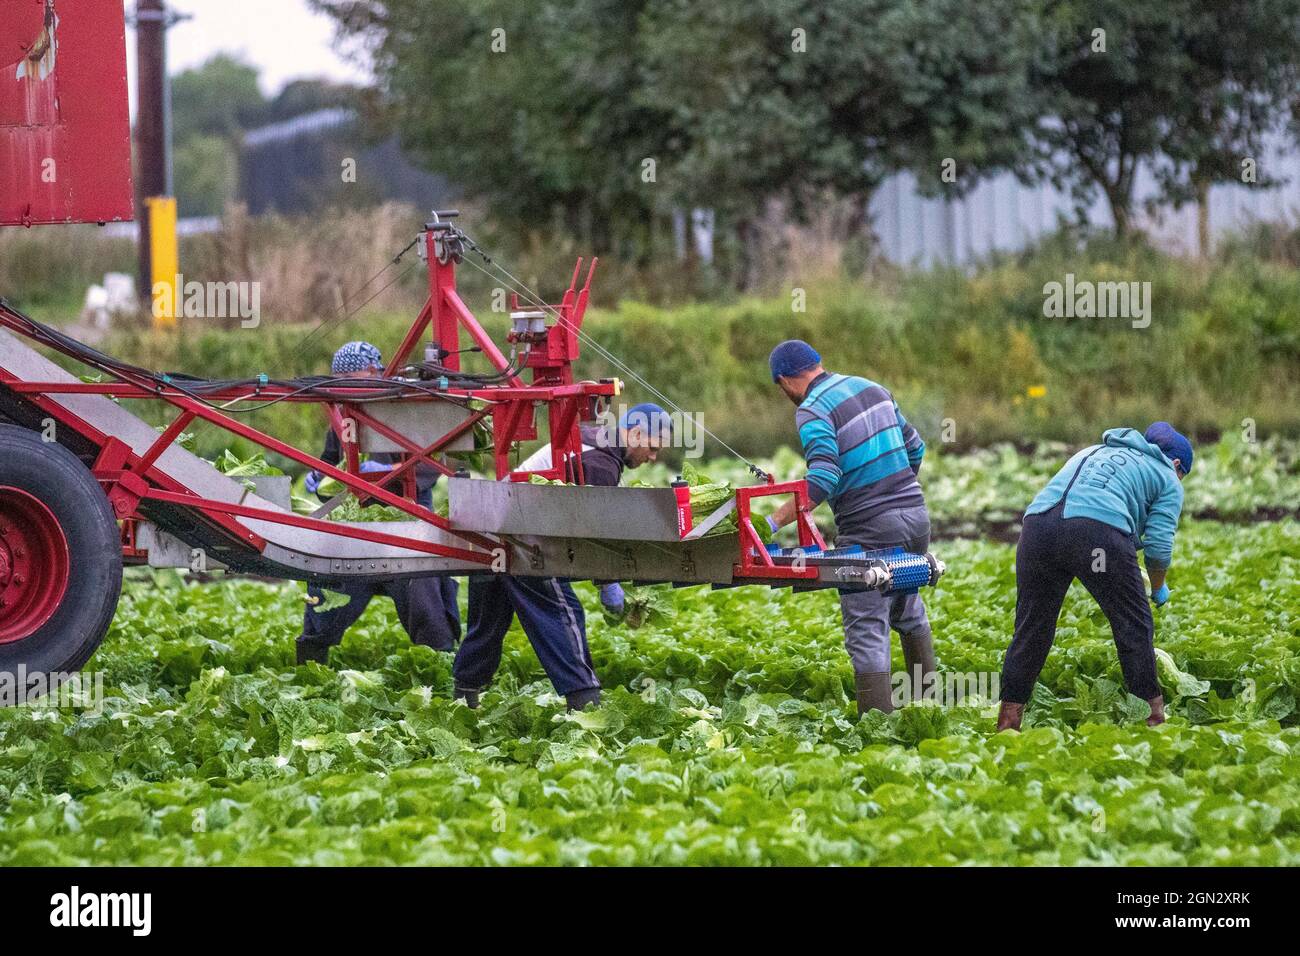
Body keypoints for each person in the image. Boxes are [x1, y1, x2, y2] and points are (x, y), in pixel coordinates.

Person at [452, 403, 672, 710]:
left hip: (490, 527)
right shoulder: (601, 463)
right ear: (635, 433)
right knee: (562, 610)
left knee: (489, 621)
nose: (652, 457)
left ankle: (464, 696)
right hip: (524, 536)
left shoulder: (595, 440)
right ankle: (585, 701)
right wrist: (608, 582)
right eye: (652, 447)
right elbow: (595, 532)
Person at [766, 340, 937, 715]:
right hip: (915, 517)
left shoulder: (812, 410)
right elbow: (917, 449)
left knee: (866, 627)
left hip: (870, 529)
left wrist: (770, 523)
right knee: (908, 609)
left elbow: (824, 475)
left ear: (785, 381)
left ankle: (878, 730)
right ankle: (928, 709)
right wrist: (899, 493)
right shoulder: (871, 387)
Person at [997, 423, 1191, 730]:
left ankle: (1008, 722)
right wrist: (1158, 586)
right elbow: (1158, 545)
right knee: (1133, 624)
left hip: (1037, 528)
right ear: (1177, 464)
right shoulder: (1168, 476)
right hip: (1095, 533)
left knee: (1032, 628)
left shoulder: (1093, 450)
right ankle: (1154, 719)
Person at [295, 341, 461, 664]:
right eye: (340, 386)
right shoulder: (343, 415)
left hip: (405, 524)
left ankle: (441, 665)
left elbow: (433, 463)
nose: (346, 392)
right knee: (325, 584)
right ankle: (310, 665)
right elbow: (331, 459)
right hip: (356, 527)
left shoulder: (404, 407)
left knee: (423, 594)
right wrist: (319, 475)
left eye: (352, 382)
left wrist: (390, 473)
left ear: (374, 373)